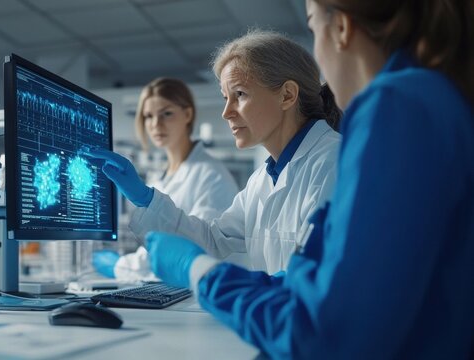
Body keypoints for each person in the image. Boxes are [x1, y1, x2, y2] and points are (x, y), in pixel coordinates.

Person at [145, 0, 474, 358]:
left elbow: (326, 330)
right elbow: (330, 283)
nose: (227, 112)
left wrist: (200, 272)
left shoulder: (396, 106)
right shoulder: (431, 98)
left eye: (314, 27)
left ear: (342, 28)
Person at [84, 31, 343, 275]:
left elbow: (316, 279)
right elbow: (213, 241)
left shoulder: (333, 163)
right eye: (225, 97)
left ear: (287, 95)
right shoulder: (262, 180)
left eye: (239, 94)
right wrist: (145, 199)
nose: (226, 112)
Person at [92, 77, 239, 281]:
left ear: (187, 114)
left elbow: (202, 247)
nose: (155, 124)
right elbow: (157, 242)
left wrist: (120, 266)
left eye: (166, 114)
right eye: (148, 116)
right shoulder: (160, 176)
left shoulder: (210, 175)